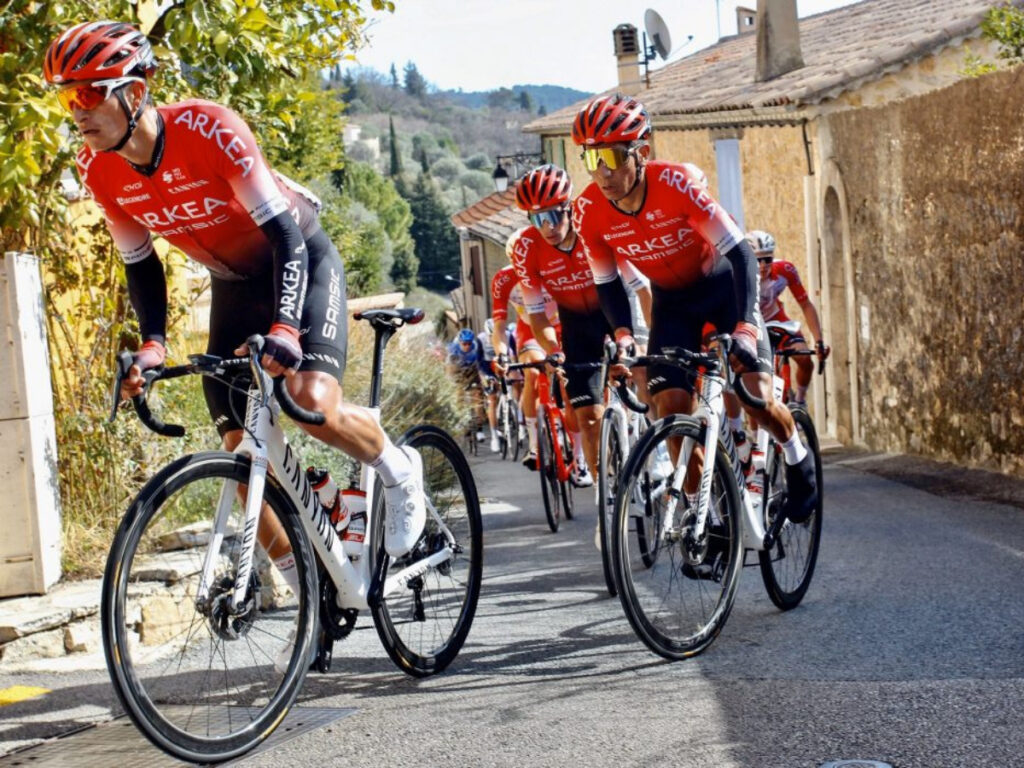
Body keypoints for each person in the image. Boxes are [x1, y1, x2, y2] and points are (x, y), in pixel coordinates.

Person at [44, 22, 427, 594]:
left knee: (306, 401)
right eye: (66, 96)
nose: (76, 110)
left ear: (136, 93)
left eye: (88, 93)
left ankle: (398, 471)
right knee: (238, 448)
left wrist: (286, 330)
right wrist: (152, 348)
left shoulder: (211, 129)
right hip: (233, 284)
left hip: (297, 261)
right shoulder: (99, 170)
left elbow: (285, 237)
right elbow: (140, 263)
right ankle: (309, 595)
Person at [570, 93, 817, 524]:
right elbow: (607, 283)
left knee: (755, 396)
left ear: (640, 152)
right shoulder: (588, 212)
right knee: (672, 410)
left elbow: (740, 252)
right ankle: (715, 522)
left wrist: (743, 327)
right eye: (592, 160)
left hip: (722, 287)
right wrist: (625, 337)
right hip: (672, 304)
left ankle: (798, 456)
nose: (602, 172)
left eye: (611, 156)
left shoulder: (677, 183)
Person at [509, 163, 654, 492]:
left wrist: (648, 340)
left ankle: (656, 446)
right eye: (536, 219)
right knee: (587, 416)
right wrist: (554, 351)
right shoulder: (527, 248)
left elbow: (641, 288)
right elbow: (537, 316)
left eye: (553, 215)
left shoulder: (597, 225)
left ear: (569, 208)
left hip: (618, 305)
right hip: (576, 321)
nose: (546, 227)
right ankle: (608, 496)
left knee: (642, 367)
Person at [748, 230, 831, 406]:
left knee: (804, 359)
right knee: (756, 388)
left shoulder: (785, 271)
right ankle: (756, 433)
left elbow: (806, 305)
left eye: (767, 259)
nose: (763, 265)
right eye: (757, 260)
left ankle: (800, 403)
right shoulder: (739, 277)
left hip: (776, 320)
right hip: (751, 327)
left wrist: (819, 341)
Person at [446, 327, 495, 450]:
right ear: (460, 343)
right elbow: (450, 370)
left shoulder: (476, 348)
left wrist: (483, 380)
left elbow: (481, 367)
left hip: (473, 372)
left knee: (478, 399)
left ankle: (479, 428)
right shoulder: (454, 349)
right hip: (459, 373)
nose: (467, 346)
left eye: (469, 343)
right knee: (459, 396)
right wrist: (453, 381)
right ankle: (460, 419)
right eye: (464, 344)